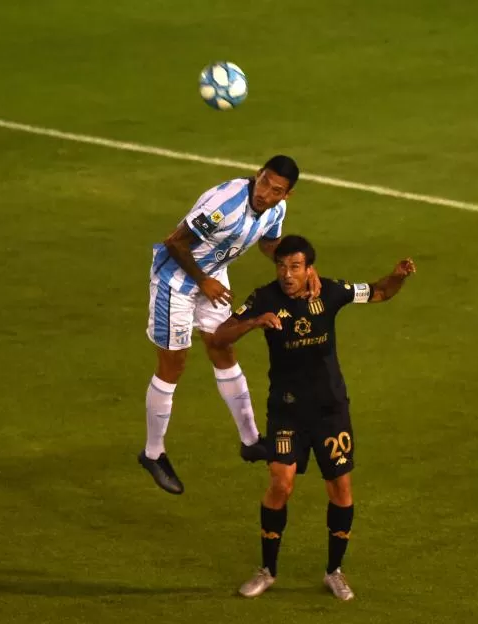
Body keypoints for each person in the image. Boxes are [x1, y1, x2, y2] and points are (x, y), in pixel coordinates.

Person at [209, 235, 415, 600]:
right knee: (281, 483)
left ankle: (334, 571)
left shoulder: (331, 292)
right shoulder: (264, 297)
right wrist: (255, 322)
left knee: (340, 488)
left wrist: (397, 276)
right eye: (282, 266)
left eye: (295, 267)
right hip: (286, 409)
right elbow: (220, 337)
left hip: (330, 410)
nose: (287, 274)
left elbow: (379, 292)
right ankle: (267, 570)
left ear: (309, 269)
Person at [139, 156, 320, 495]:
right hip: (175, 281)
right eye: (264, 181)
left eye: (276, 190)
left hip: (213, 277)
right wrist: (203, 280)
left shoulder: (275, 211)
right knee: (173, 364)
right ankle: (152, 453)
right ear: (258, 174)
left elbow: (269, 244)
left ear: (287, 195)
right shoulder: (226, 203)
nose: (265, 193)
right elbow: (175, 242)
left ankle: (251, 441)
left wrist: (298, 268)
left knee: (222, 346)